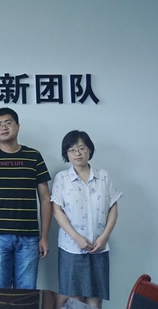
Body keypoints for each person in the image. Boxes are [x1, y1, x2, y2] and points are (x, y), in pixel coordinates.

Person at [0, 107, 51, 289]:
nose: (3, 127)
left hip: (29, 237)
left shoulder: (34, 157)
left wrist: (44, 236)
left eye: (8, 123)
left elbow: (45, 199)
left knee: (27, 292)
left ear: (17, 126)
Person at [51, 130, 122, 309]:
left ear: (89, 149)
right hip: (71, 248)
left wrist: (104, 237)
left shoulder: (103, 176)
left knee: (95, 298)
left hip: (99, 247)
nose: (77, 153)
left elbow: (113, 208)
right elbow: (57, 211)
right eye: (72, 150)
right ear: (66, 154)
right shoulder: (62, 178)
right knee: (74, 299)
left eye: (82, 148)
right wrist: (76, 238)